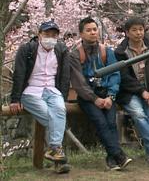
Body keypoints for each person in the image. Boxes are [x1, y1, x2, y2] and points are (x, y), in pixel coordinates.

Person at [9, 20, 73, 174]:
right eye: (47, 34)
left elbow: (65, 76)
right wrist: (15, 99)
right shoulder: (27, 49)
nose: (50, 38)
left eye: (54, 35)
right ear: (39, 35)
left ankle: (55, 152)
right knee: (52, 116)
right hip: (31, 91)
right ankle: (57, 152)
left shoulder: (61, 50)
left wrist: (63, 97)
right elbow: (19, 73)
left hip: (52, 90)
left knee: (59, 109)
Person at [70, 17, 132, 170]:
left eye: (94, 29)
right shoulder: (75, 54)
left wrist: (111, 96)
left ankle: (112, 160)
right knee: (101, 122)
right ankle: (119, 156)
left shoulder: (106, 51)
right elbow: (79, 83)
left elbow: (114, 74)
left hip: (106, 95)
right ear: (81, 33)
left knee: (111, 123)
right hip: (88, 98)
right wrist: (94, 98)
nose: (92, 33)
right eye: (88, 30)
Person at [115, 17, 149, 167]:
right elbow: (124, 78)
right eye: (134, 30)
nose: (139, 33)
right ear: (127, 32)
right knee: (138, 113)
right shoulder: (120, 53)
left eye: (141, 29)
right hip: (129, 93)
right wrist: (142, 93)